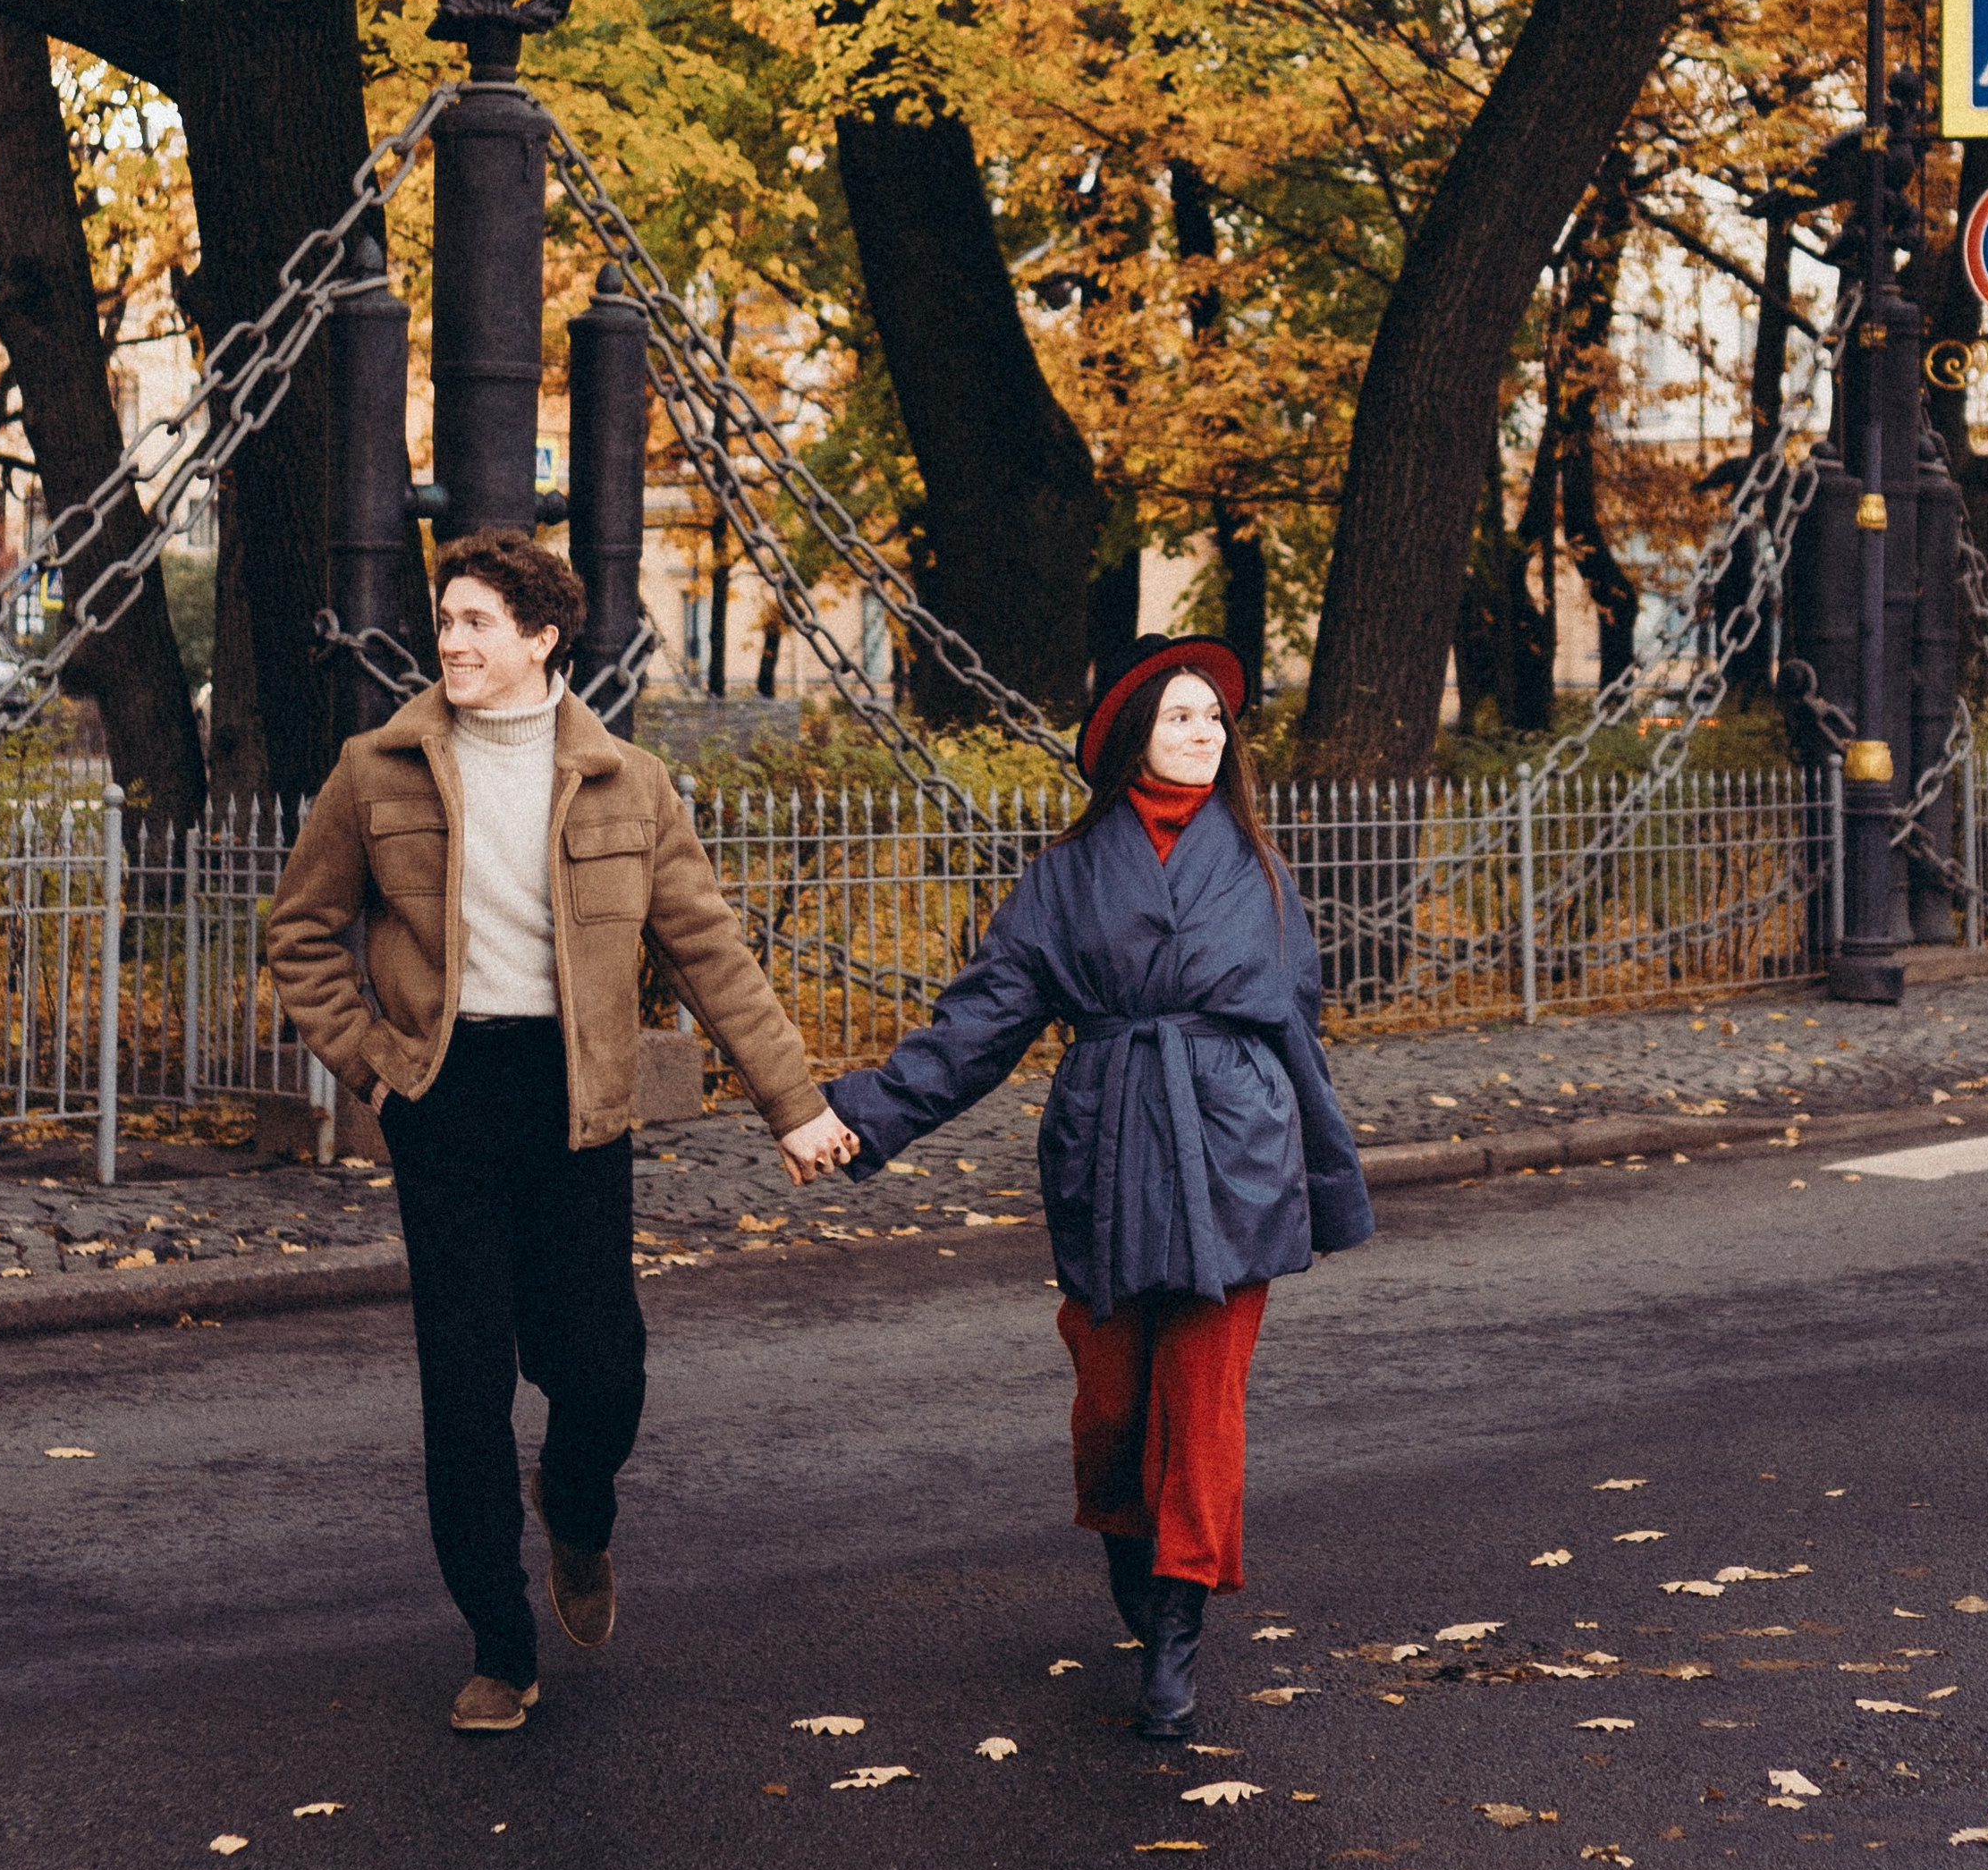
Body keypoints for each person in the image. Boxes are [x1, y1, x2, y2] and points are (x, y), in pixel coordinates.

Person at [267, 529, 857, 1733]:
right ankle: (499, 1643)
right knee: (466, 1386)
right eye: (447, 620)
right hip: (442, 1100)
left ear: (543, 640)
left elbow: (709, 954)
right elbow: (301, 935)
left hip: (580, 1108)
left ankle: (576, 1509)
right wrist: (374, 1072)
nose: (452, 641)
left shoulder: (625, 783)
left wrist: (795, 1106)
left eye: (479, 622)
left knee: (602, 1372)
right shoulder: (374, 772)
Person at [825, 633, 1373, 1739]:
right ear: (1131, 736)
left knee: (1202, 1401)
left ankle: (1176, 1621)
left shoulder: (1259, 867)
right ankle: (1134, 1541)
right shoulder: (1066, 876)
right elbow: (981, 1022)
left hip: (1236, 1150)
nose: (1203, 734)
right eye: (1179, 717)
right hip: (1111, 1143)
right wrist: (866, 1116)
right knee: (1114, 1401)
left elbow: (1295, 1025)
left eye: (1214, 718)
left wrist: (1321, 1173)